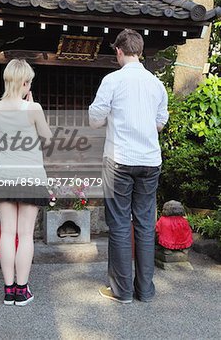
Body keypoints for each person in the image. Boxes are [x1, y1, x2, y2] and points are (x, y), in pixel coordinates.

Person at [89, 28, 169, 304]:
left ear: (119, 51)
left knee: (121, 223)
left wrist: (112, 115)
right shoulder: (156, 84)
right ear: (141, 51)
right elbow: (160, 123)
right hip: (149, 160)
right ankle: (145, 290)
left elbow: (95, 120)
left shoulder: (112, 80)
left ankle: (122, 291)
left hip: (119, 160)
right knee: (145, 223)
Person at [0, 59, 52, 306]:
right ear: (25, 82)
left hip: (4, 174)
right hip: (30, 175)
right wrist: (31, 104)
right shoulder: (33, 108)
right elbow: (46, 137)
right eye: (29, 82)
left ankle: (8, 290)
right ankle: (22, 290)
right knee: (25, 235)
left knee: (7, 233)